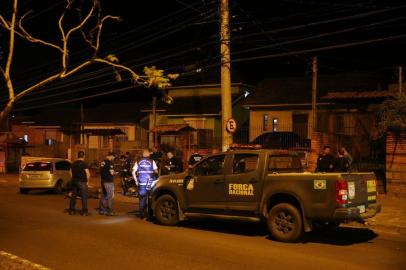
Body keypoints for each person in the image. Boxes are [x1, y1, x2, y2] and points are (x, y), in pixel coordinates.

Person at [132, 149, 158, 219]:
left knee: (142, 198)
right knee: (149, 197)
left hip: (142, 181)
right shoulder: (152, 161)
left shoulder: (138, 161)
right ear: (148, 154)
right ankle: (148, 214)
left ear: (143, 154)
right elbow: (156, 171)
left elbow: (133, 172)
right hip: (150, 181)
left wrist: (136, 181)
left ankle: (142, 214)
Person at [68, 151, 90, 216]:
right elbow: (88, 174)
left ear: (78, 156)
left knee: (73, 196)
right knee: (84, 197)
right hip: (82, 182)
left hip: (74, 181)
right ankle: (84, 211)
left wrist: (73, 179)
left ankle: (71, 210)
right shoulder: (84, 163)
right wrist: (88, 181)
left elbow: (70, 173)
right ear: (83, 156)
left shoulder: (73, 163)